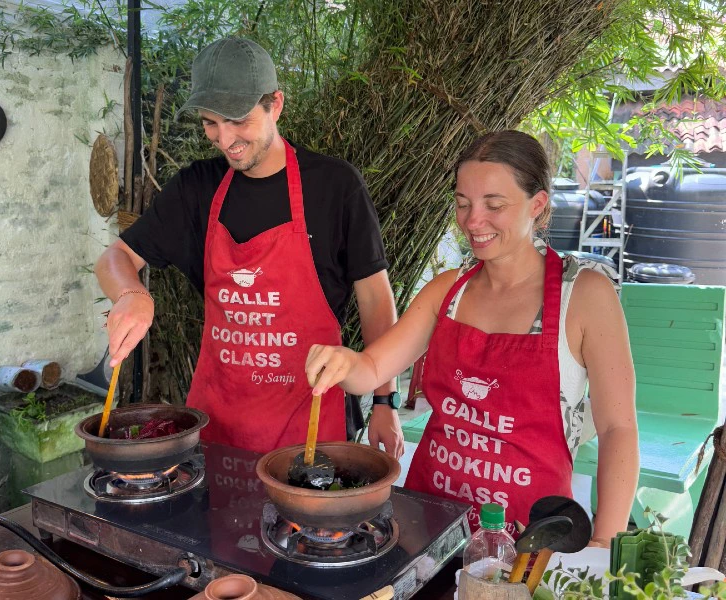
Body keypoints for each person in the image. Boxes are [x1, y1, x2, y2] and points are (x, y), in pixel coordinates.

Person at [306, 130, 638, 546]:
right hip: (431, 524)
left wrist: (605, 542)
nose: (472, 221)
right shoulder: (449, 289)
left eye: (494, 205)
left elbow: (618, 428)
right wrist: (343, 363)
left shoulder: (585, 295)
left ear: (537, 205)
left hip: (528, 542)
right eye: (463, 204)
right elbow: (372, 368)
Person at [95, 37, 404, 458]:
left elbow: (375, 301)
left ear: (275, 104)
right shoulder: (196, 188)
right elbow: (116, 258)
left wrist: (385, 402)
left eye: (238, 120)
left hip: (309, 427)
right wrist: (131, 294)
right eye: (210, 123)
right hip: (216, 427)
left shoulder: (334, 186)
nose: (225, 140)